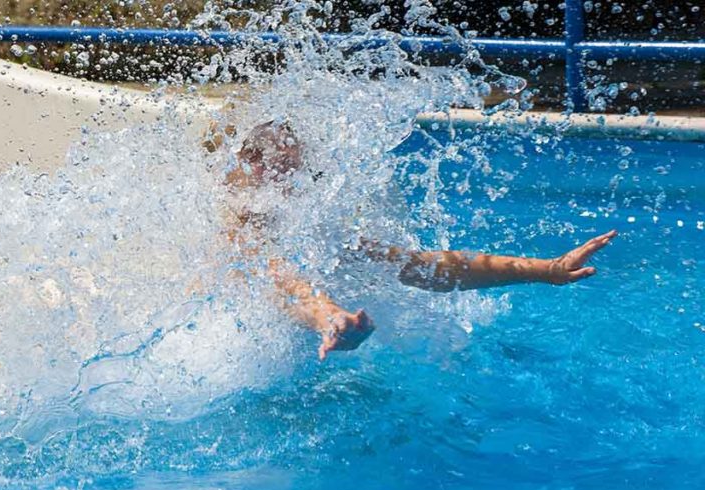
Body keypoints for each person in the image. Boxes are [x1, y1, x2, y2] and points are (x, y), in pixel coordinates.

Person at [217, 121, 617, 360]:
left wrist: (546, 270)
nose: (291, 184)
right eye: (278, 171)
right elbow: (287, 289)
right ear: (249, 169)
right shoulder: (239, 235)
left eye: (296, 170)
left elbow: (423, 267)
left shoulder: (318, 230)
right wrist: (330, 319)